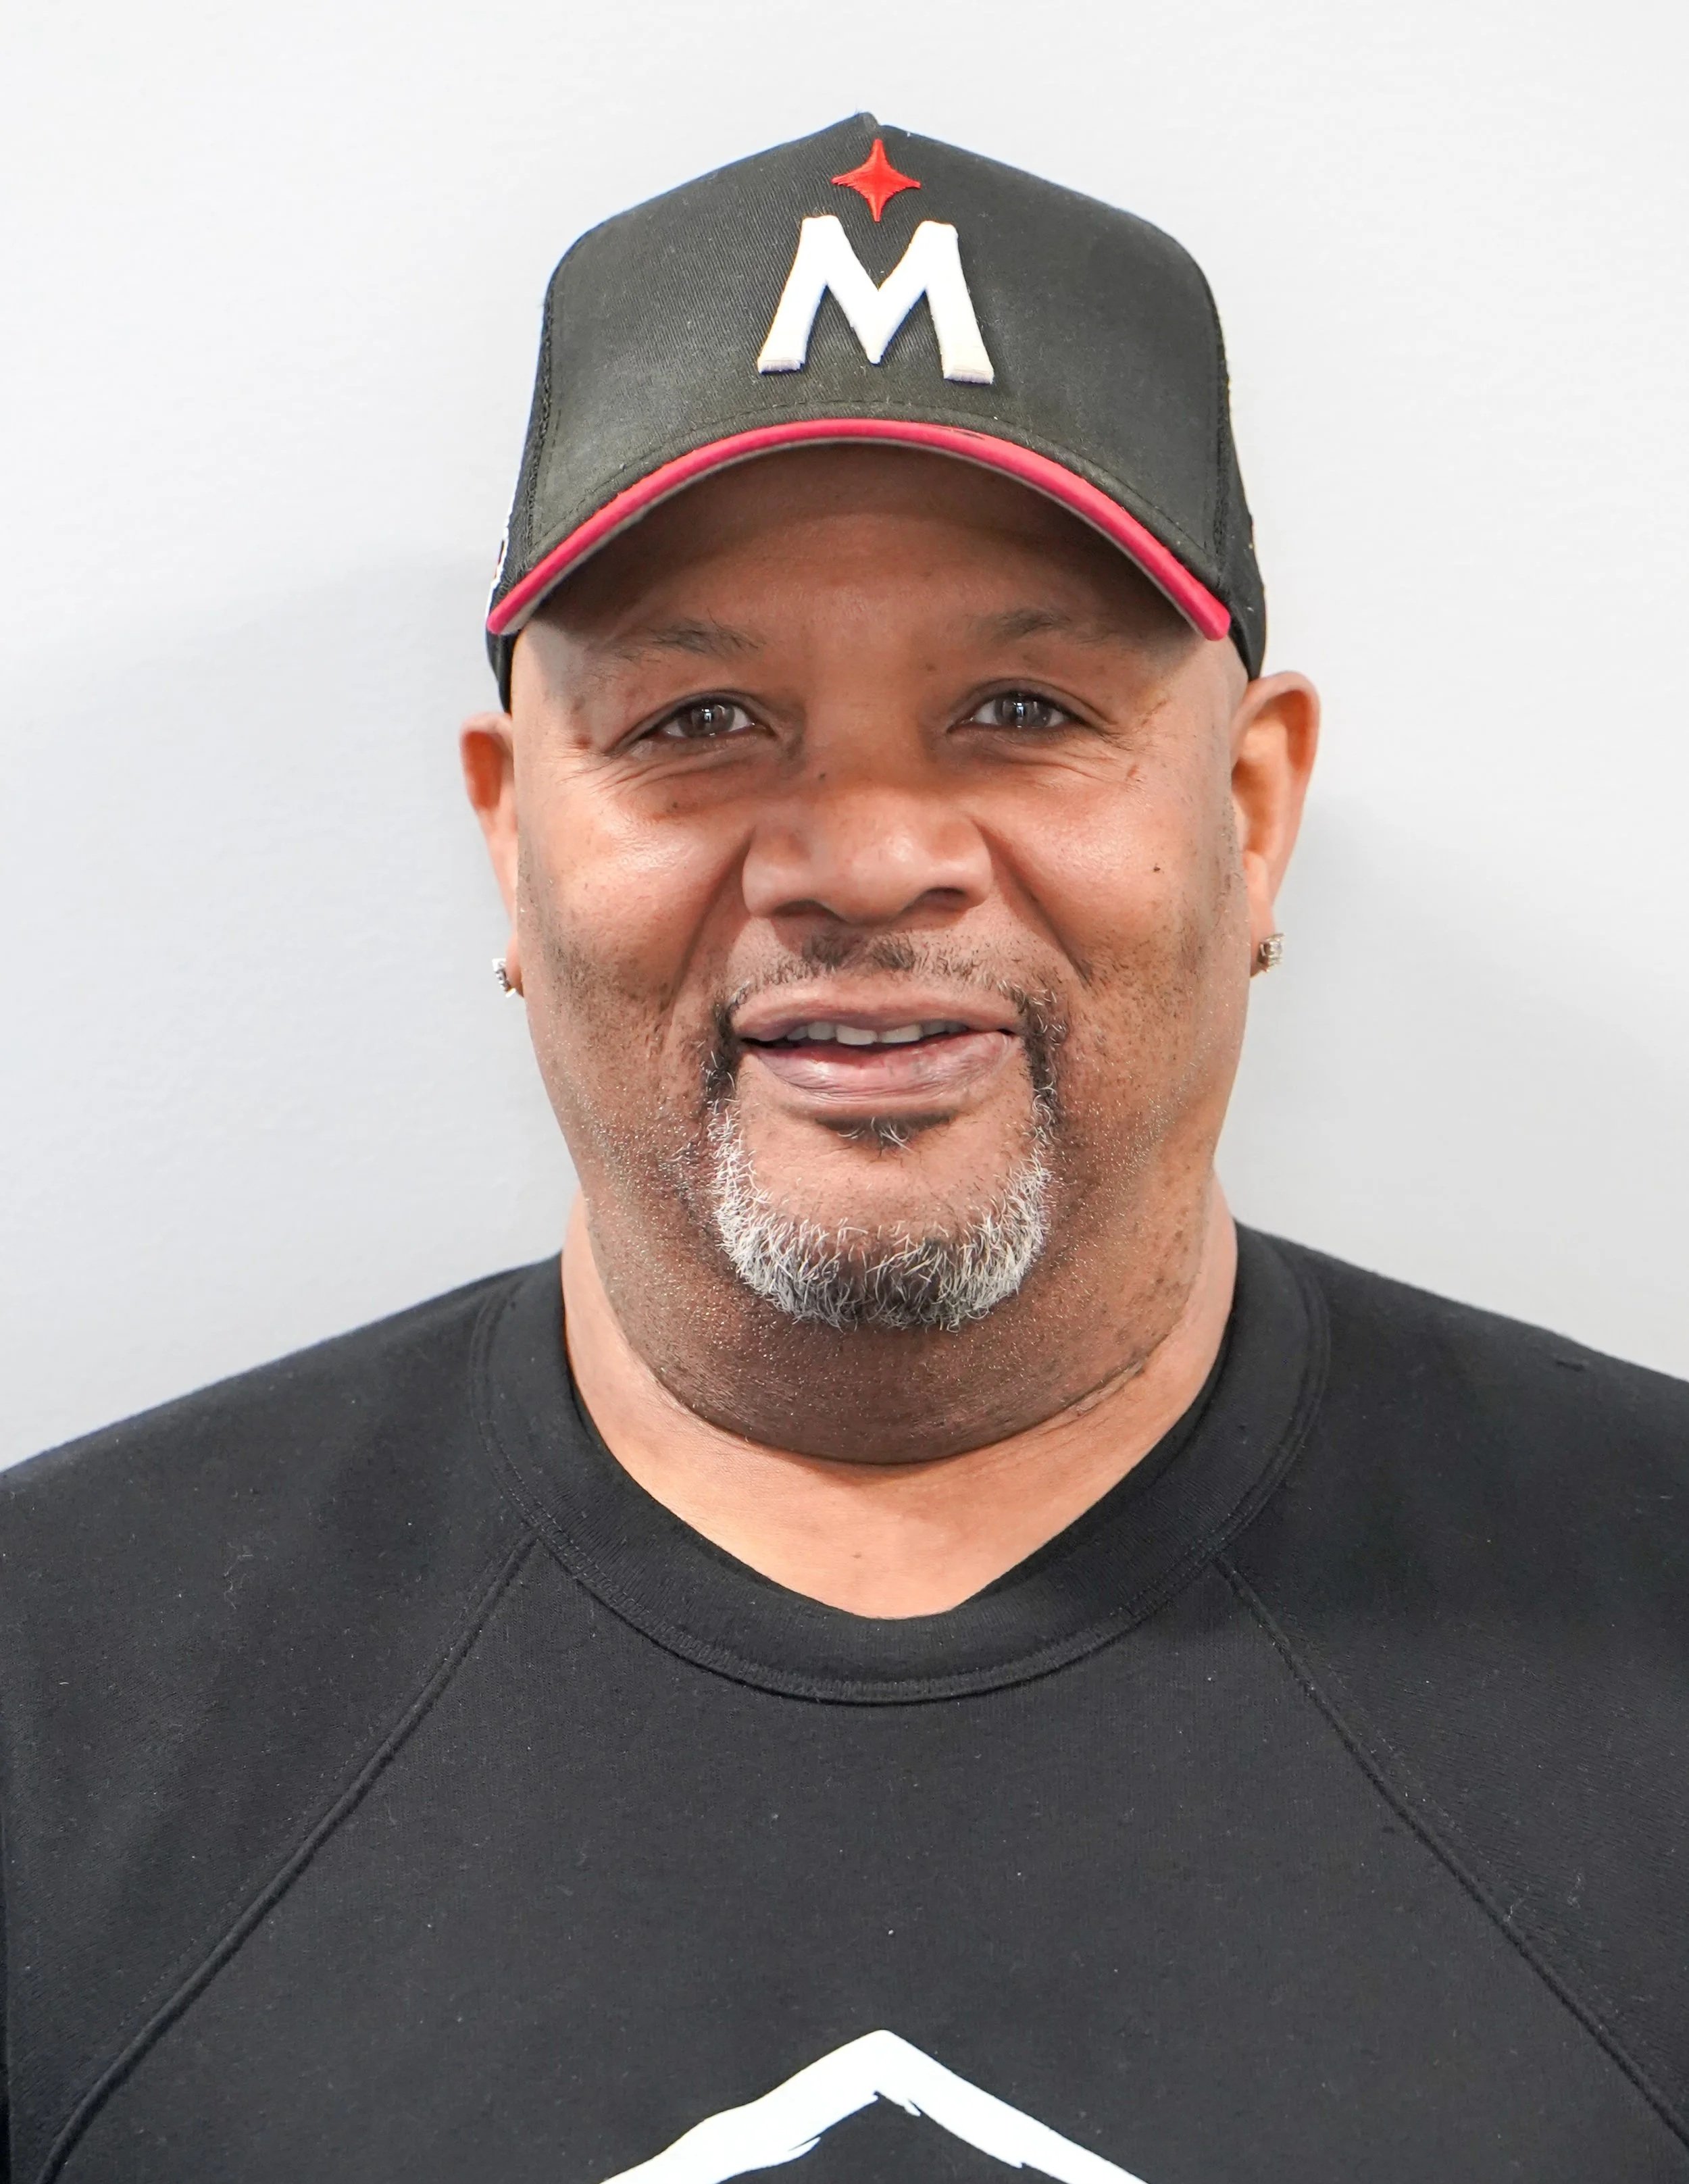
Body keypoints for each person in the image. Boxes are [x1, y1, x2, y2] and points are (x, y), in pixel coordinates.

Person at [2, 114, 1686, 2184]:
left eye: (1021, 709)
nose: (867, 858)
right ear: (508, 840)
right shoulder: (50, 1704)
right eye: (698, 723)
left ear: (1251, 818)